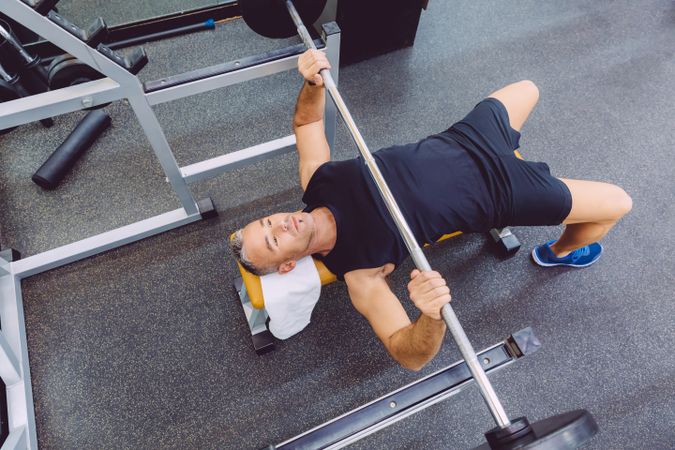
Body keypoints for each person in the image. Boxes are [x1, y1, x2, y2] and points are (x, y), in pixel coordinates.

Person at [229, 50, 632, 371]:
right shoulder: (360, 273)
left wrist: (312, 81)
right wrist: (430, 317)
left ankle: (517, 158)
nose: (280, 223)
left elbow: (306, 124)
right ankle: (558, 253)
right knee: (617, 204)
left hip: (466, 137)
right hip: (503, 193)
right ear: (287, 266)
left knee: (528, 87)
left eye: (268, 220)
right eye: (274, 239)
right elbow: (408, 354)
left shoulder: (316, 179)